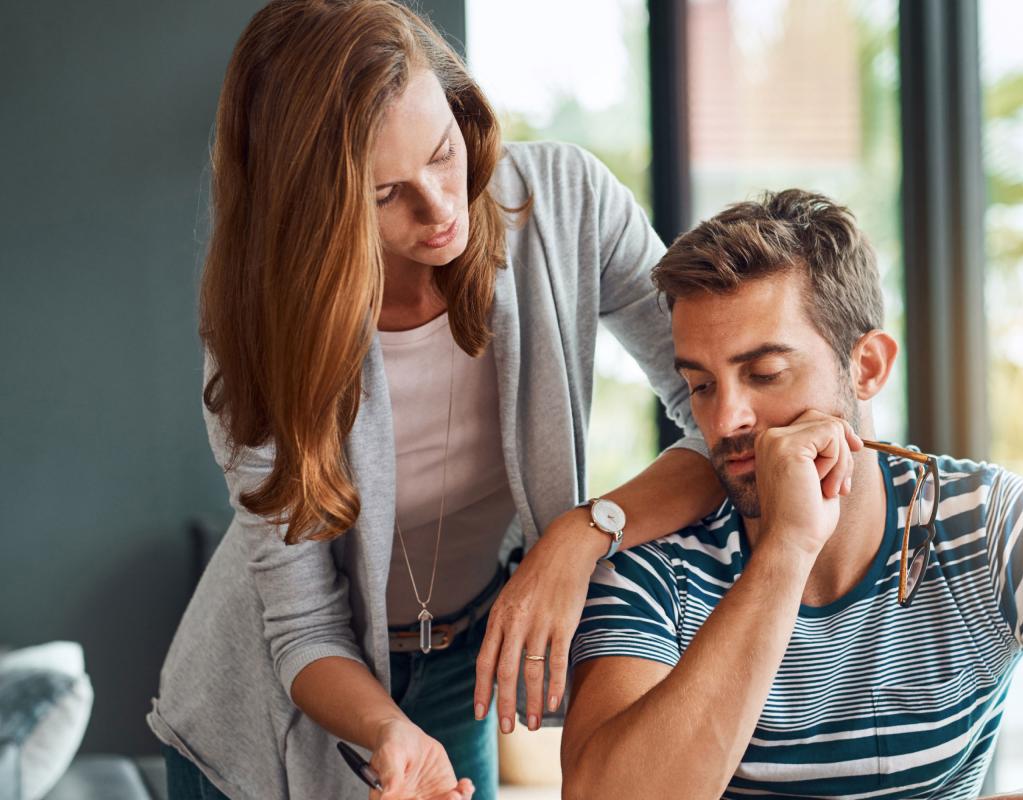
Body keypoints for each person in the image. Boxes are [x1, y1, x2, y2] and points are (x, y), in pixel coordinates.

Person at [147, 2, 722, 799]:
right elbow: (302, 625)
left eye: (443, 152)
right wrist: (387, 730)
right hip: (273, 710)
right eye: (386, 193)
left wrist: (585, 534)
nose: (441, 207)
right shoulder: (260, 323)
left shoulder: (565, 204)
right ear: (311, 208)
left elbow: (724, 417)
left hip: (460, 667)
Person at [561, 189, 1023, 800]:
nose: (726, 420)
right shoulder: (652, 564)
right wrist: (787, 549)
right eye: (701, 385)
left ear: (867, 367)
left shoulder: (988, 524)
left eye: (765, 374)